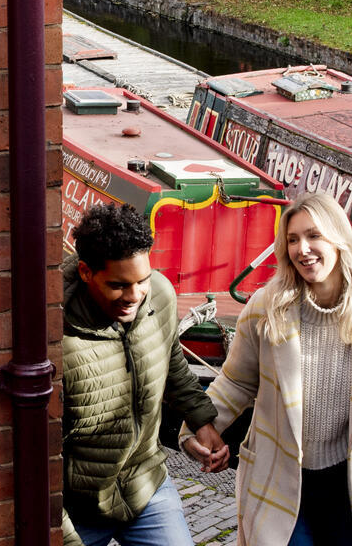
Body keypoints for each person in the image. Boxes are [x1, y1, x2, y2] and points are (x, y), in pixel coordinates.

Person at [199, 193, 352, 546]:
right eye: (293, 240)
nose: (303, 249)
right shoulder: (266, 306)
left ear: (338, 238)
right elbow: (235, 382)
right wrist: (197, 428)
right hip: (281, 476)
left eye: (314, 236)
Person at [61, 204, 227, 546]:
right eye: (119, 285)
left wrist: (202, 421)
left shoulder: (160, 295)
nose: (135, 296)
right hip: (76, 507)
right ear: (86, 272)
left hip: (145, 485)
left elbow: (172, 362)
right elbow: (36, 455)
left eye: (142, 281)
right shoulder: (54, 336)